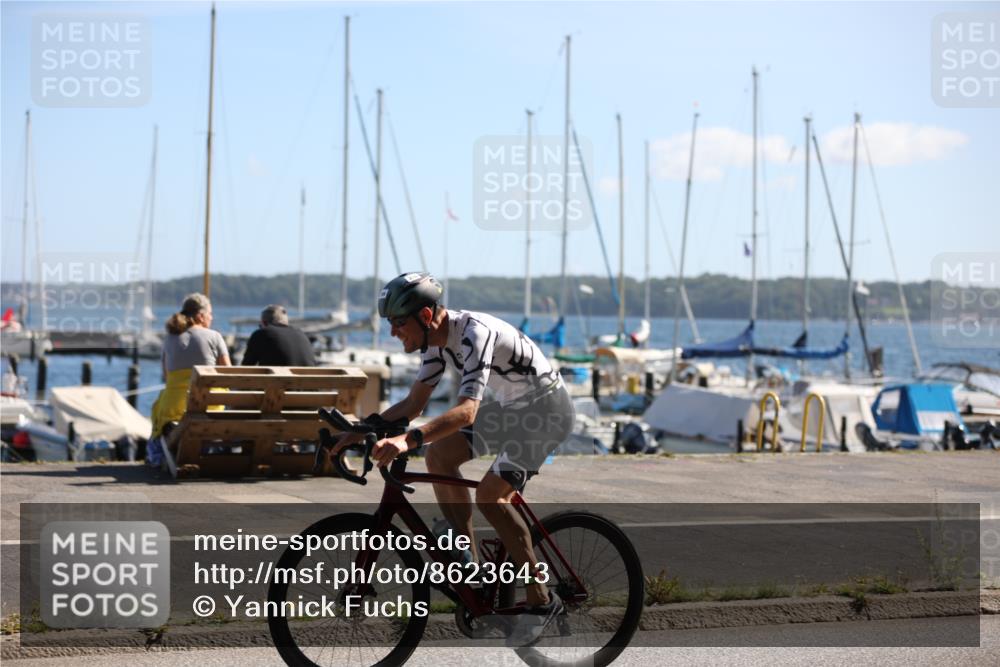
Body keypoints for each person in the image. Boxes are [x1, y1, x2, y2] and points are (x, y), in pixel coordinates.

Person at [332, 272, 574, 645]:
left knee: (491, 495)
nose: (394, 332)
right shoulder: (436, 343)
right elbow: (414, 405)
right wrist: (364, 428)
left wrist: (406, 441)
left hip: (545, 412)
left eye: (398, 322)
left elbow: (466, 413)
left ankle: (541, 598)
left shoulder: (475, 333)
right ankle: (470, 566)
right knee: (440, 456)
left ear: (426, 317)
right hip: (512, 409)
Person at [150, 293, 231, 443]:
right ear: (201, 316)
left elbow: (166, 377)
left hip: (173, 410)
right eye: (210, 314)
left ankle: (172, 444)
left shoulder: (169, 339)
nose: (211, 318)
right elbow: (228, 375)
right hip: (210, 407)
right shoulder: (215, 336)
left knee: (161, 403)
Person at [241, 304, 316, 366]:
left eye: (260, 326)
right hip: (309, 383)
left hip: (277, 383)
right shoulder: (302, 335)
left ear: (264, 323)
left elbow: (246, 367)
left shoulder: (261, 334)